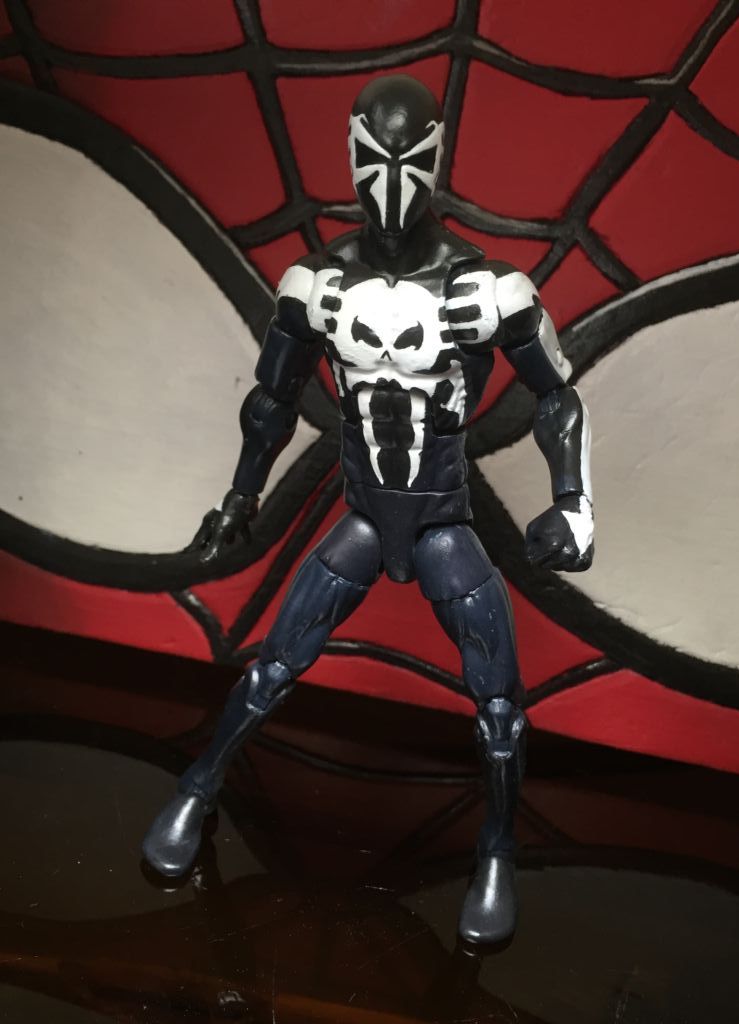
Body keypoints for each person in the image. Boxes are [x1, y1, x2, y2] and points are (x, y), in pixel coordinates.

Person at [142, 74, 594, 944]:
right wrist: (239, 498)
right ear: (350, 155)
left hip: (442, 522)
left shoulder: (488, 290)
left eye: (408, 160)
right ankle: (199, 787)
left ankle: (497, 848)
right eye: (373, 159)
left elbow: (558, 395)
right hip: (361, 514)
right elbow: (271, 403)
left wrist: (573, 503)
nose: (389, 182)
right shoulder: (316, 285)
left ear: (437, 157)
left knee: (499, 707)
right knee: (273, 667)